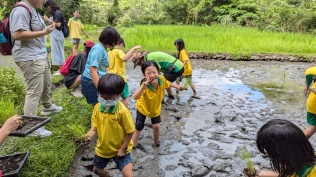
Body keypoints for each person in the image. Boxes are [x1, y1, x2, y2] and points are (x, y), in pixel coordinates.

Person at [10, 0, 62, 136]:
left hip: (39, 54)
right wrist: (44, 32)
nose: (45, 1)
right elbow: (17, 34)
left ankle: (47, 107)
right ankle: (30, 126)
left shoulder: (34, 9)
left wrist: (45, 32)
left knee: (46, 82)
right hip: (28, 57)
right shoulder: (21, 9)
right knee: (34, 90)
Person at [85, 74, 135, 177]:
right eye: (102, 96)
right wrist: (89, 135)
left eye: (109, 97)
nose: (105, 99)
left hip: (120, 147)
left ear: (119, 94)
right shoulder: (98, 108)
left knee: (128, 175)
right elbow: (95, 126)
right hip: (103, 148)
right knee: (97, 170)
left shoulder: (122, 112)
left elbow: (130, 131)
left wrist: (122, 148)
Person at [132, 61, 186, 148]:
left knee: (156, 126)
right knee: (139, 126)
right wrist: (142, 88)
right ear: (144, 75)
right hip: (142, 107)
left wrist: (178, 87)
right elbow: (135, 97)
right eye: (148, 73)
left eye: (154, 72)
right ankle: (133, 144)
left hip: (155, 108)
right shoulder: (144, 86)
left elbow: (168, 84)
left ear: (158, 72)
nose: (152, 75)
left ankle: (156, 143)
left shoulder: (161, 79)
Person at [81, 26, 120, 107]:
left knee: (101, 104)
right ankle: (97, 118)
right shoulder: (98, 50)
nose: (116, 44)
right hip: (90, 81)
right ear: (109, 40)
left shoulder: (102, 48)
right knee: (98, 105)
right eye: (115, 41)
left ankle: (100, 117)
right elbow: (93, 71)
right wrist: (100, 89)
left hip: (96, 80)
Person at [108, 37, 141, 107]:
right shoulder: (119, 51)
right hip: (120, 79)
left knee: (114, 96)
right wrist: (133, 48)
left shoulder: (109, 52)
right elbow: (125, 58)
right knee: (125, 96)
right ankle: (122, 111)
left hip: (110, 78)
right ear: (121, 44)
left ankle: (113, 111)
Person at [43, 0, 65, 76]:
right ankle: (60, 69)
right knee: (56, 52)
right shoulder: (53, 14)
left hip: (58, 35)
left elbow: (58, 24)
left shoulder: (57, 12)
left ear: (51, 5)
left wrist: (47, 20)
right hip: (54, 35)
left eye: (48, 6)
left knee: (59, 51)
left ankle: (62, 70)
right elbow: (53, 24)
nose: (48, 8)